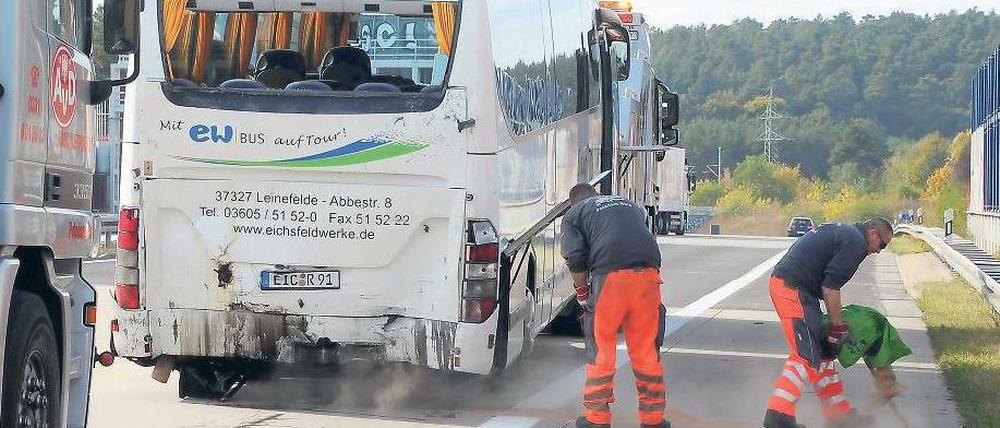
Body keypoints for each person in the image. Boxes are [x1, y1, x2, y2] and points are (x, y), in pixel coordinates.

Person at [763, 217, 894, 428]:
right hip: (792, 289)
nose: (879, 251)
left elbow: (827, 284)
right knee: (805, 356)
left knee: (823, 354)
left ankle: (838, 415)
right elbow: (831, 288)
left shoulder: (849, 234)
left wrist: (835, 326)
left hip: (799, 290)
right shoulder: (856, 243)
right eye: (882, 244)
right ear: (872, 233)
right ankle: (778, 415)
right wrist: (837, 326)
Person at [561, 183, 668, 428]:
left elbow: (575, 258)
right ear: (596, 196)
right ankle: (653, 420)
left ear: (573, 203)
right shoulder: (628, 205)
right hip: (649, 275)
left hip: (611, 279)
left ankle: (596, 419)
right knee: (646, 350)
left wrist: (582, 293)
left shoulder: (574, 214)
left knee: (602, 348)